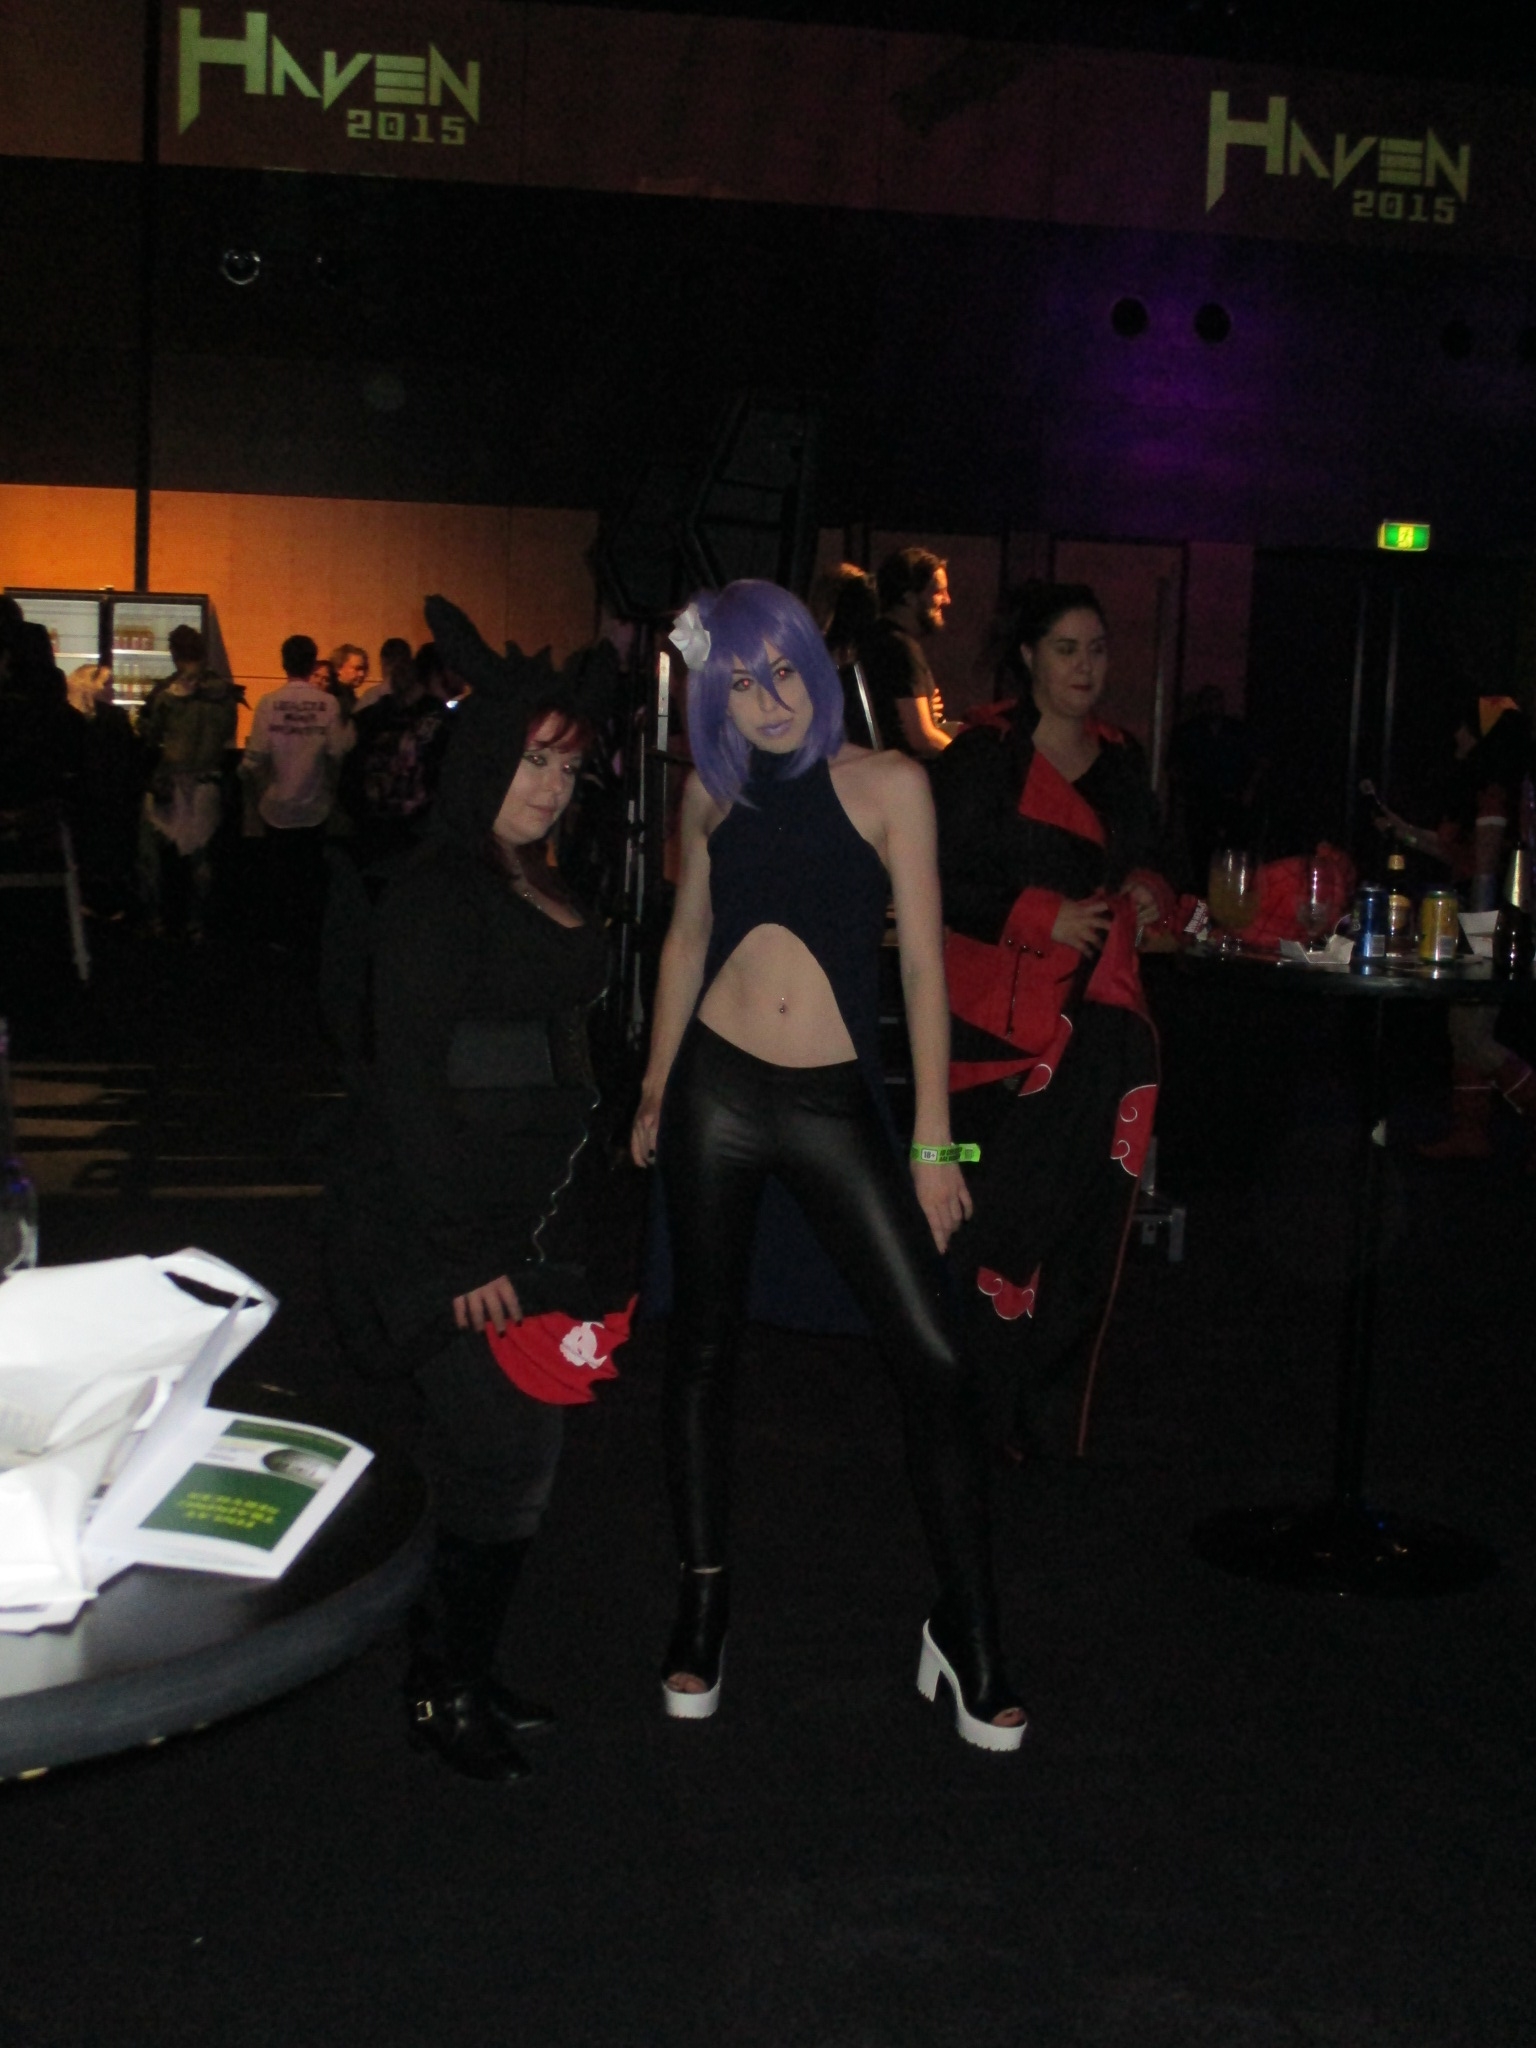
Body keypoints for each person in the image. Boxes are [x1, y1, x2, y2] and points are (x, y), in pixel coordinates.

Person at [630, 578, 1024, 1752]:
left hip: (835, 1104)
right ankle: (704, 1599)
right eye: (740, 681)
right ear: (715, 698)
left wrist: (936, 1141)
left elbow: (923, 969)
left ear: (816, 660)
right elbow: (686, 939)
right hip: (714, 1093)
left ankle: (966, 1621)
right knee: (703, 1348)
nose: (769, 698)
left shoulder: (893, 782)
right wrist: (654, 1082)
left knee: (937, 1357)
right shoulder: (712, 791)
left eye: (783, 669)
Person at [325, 594, 627, 1784]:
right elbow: (408, 1085)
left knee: (500, 1455)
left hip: (527, 1215)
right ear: (483, 759)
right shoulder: (438, 892)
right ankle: (442, 1684)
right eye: (530, 760)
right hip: (447, 1225)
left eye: (565, 765)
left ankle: (461, 1665)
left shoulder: (534, 873)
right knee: (506, 1449)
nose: (549, 786)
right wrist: (459, 1253)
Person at [931, 583, 1172, 1459]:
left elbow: (1158, 858)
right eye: (1067, 648)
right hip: (994, 1032)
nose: (1085, 666)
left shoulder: (1120, 757)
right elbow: (933, 879)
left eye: (1097, 649)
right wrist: (1042, 915)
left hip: (1099, 1023)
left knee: (1079, 1233)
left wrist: (1150, 893)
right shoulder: (982, 754)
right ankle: (970, 1411)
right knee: (989, 1225)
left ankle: (1043, 1420)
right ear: (1029, 655)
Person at [1374, 696, 1536, 1156]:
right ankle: (1471, 1131)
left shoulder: (1493, 791)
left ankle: (1483, 1127)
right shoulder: (1497, 788)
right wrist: (1402, 830)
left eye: (1463, 729)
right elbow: (1463, 856)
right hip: (1487, 919)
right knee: (1464, 1031)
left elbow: (1484, 868)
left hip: (1487, 921)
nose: (1456, 739)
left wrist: (1478, 939)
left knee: (1471, 1034)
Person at [240, 634, 354, 953]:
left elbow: (253, 761)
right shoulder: (328, 704)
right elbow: (338, 752)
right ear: (312, 663)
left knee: (279, 879)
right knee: (310, 880)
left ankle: (280, 941)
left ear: (284, 663)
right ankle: (307, 941)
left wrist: (259, 796)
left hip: (275, 808)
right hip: (315, 808)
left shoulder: (269, 703)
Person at [137, 625, 238, 940]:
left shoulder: (168, 693)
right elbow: (227, 734)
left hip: (170, 781)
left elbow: (150, 735)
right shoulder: (226, 694)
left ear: (174, 653)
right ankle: (197, 923)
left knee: (149, 854)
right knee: (202, 858)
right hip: (208, 780)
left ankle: (155, 920)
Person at [855, 547, 954, 757]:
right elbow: (922, 737)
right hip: (904, 768)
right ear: (909, 597)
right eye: (938, 591)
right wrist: (965, 756)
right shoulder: (901, 648)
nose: (947, 600)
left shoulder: (873, 637)